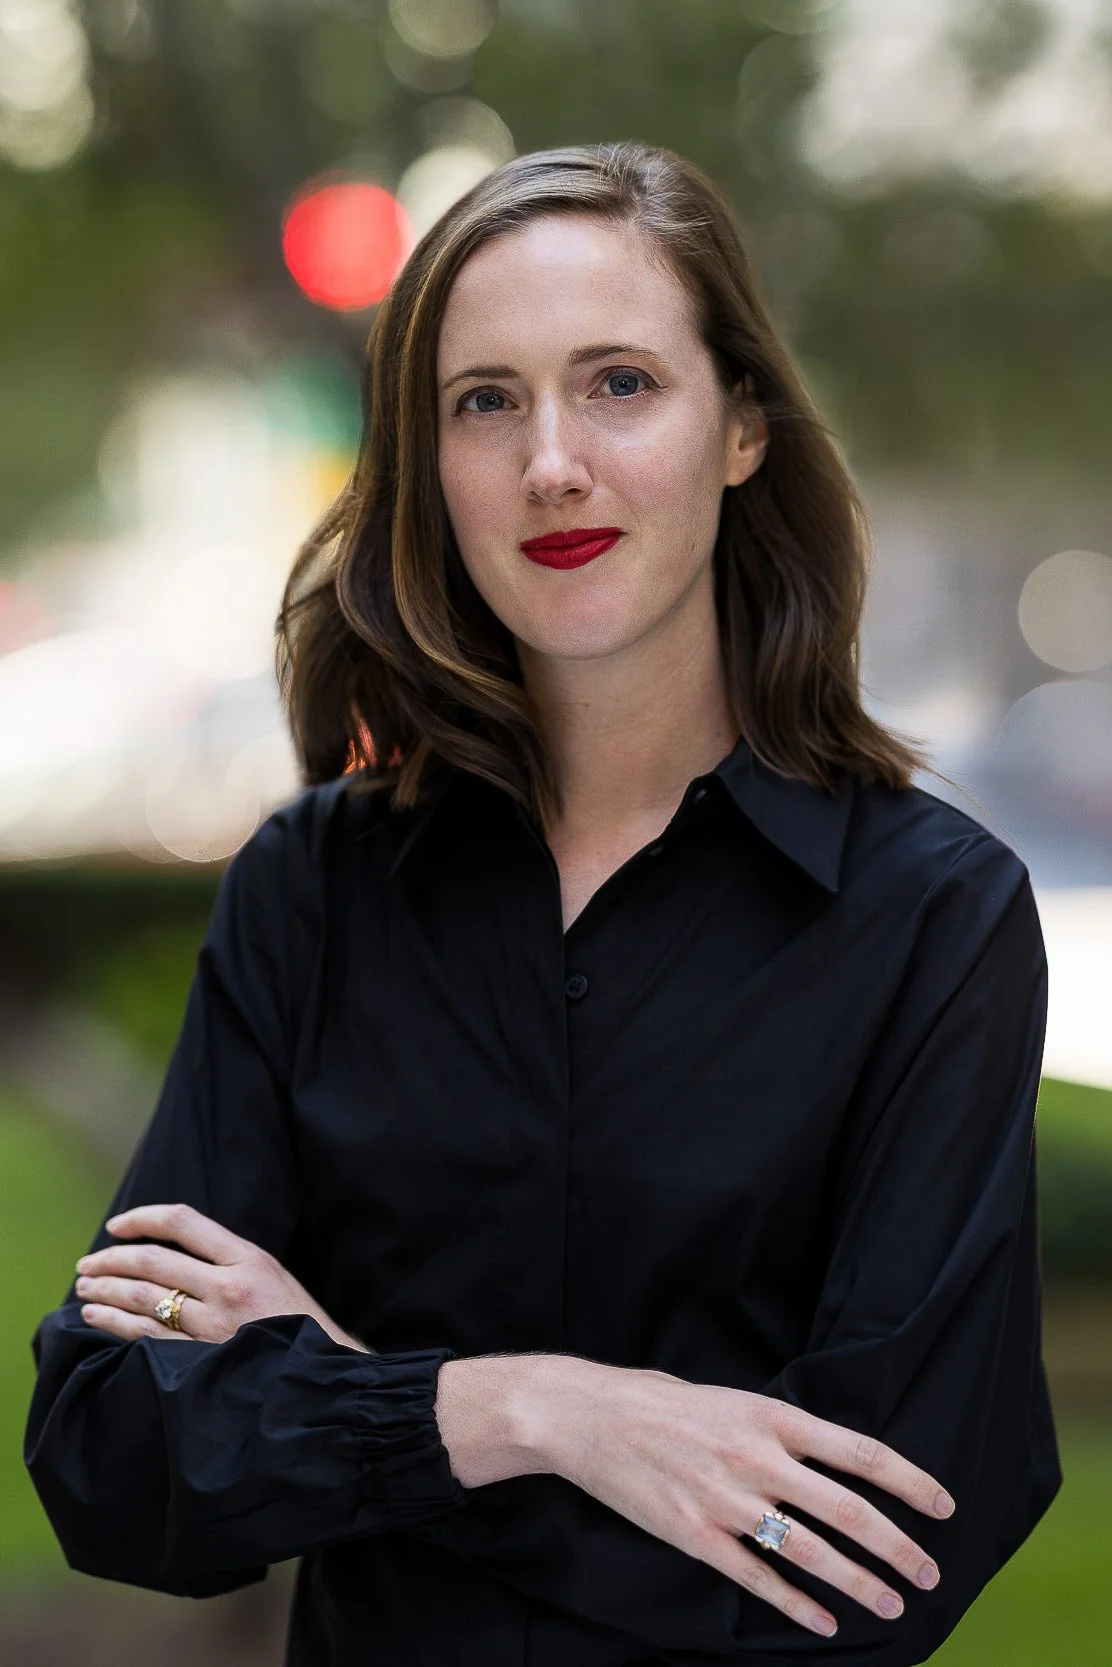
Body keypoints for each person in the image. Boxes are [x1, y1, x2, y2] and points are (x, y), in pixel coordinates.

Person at [24, 141, 1060, 1666]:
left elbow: (868, 1564)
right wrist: (530, 1408)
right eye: (485, 400)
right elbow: (114, 1456)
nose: (552, 461)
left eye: (621, 384)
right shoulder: (311, 893)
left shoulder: (933, 923)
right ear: (430, 465)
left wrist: (352, 1398)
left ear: (742, 429)